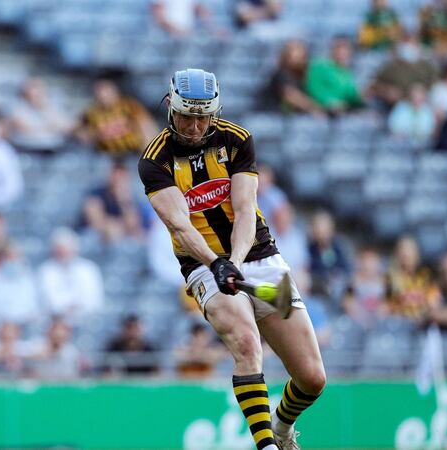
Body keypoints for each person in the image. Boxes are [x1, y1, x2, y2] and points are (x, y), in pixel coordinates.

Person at [139, 68, 326, 450]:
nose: (194, 127)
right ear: (170, 108)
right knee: (246, 341)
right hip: (202, 266)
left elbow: (244, 210)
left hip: (261, 259)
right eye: (186, 117)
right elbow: (180, 226)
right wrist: (216, 264)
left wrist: (235, 262)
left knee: (312, 378)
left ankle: (281, 426)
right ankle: (266, 446)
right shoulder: (155, 160)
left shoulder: (236, 139)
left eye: (202, 117)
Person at [77, 79, 158, 156]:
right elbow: (78, 130)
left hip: (132, 152)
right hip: (107, 155)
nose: (103, 96)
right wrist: (91, 135)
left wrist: (149, 149)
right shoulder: (91, 112)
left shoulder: (129, 105)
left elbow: (146, 126)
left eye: (106, 92)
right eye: (99, 93)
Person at [38, 228, 104, 319]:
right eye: (59, 249)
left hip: (86, 318)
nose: (63, 252)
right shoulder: (45, 270)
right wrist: (64, 308)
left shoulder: (88, 268)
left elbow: (93, 299)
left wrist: (76, 308)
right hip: (56, 319)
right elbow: (47, 299)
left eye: (66, 248)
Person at [81, 159, 147, 242]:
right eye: (115, 173)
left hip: (120, 234)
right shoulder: (95, 193)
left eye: (121, 175)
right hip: (95, 236)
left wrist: (123, 201)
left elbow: (133, 226)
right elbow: (96, 222)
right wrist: (115, 226)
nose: (117, 179)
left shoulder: (129, 197)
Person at [372, 34, 439, 109]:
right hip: (394, 107)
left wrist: (423, 92)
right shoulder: (391, 67)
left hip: (422, 106)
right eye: (407, 43)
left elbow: (437, 84)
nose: (409, 47)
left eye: (412, 44)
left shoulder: (426, 66)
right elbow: (374, 86)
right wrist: (387, 90)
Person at [8, 77, 74, 153]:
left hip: (55, 149)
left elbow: (67, 127)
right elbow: (24, 128)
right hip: (27, 149)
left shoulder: (53, 107)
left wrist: (43, 109)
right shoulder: (18, 107)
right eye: (31, 93)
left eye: (38, 93)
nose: (35, 97)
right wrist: (51, 127)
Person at [384, 235, 441, 323]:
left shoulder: (426, 276)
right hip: (399, 323)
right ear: (396, 254)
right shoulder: (389, 278)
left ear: (417, 254)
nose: (405, 254)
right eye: (402, 250)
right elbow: (385, 307)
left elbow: (434, 304)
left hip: (424, 323)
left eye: (409, 250)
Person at [0, 243, 41, 324]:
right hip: (1, 323)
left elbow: (34, 305)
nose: (12, 260)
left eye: (15, 256)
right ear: (2, 259)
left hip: (26, 322)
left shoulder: (30, 279)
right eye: (8, 257)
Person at [305, 36, 364, 115]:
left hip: (345, 111)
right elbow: (314, 89)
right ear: (332, 49)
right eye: (339, 47)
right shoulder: (319, 67)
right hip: (323, 112)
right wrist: (331, 102)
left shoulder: (347, 72)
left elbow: (352, 96)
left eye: (346, 48)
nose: (342, 52)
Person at [266, 40, 325, 116]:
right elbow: (291, 95)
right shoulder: (281, 74)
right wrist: (315, 109)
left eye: (302, 57)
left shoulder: (302, 76)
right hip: (270, 114)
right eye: (295, 57)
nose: (299, 61)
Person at [306, 210, 352, 300]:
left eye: (325, 230)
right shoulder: (310, 249)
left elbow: (346, 269)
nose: (322, 234)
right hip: (317, 289)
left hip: (338, 287)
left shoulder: (339, 247)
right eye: (319, 230)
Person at [342, 247, 387, 329]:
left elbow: (388, 304)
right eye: (365, 261)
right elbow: (347, 302)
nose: (368, 265)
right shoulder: (354, 281)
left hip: (378, 322)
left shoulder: (384, 282)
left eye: (371, 261)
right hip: (357, 322)